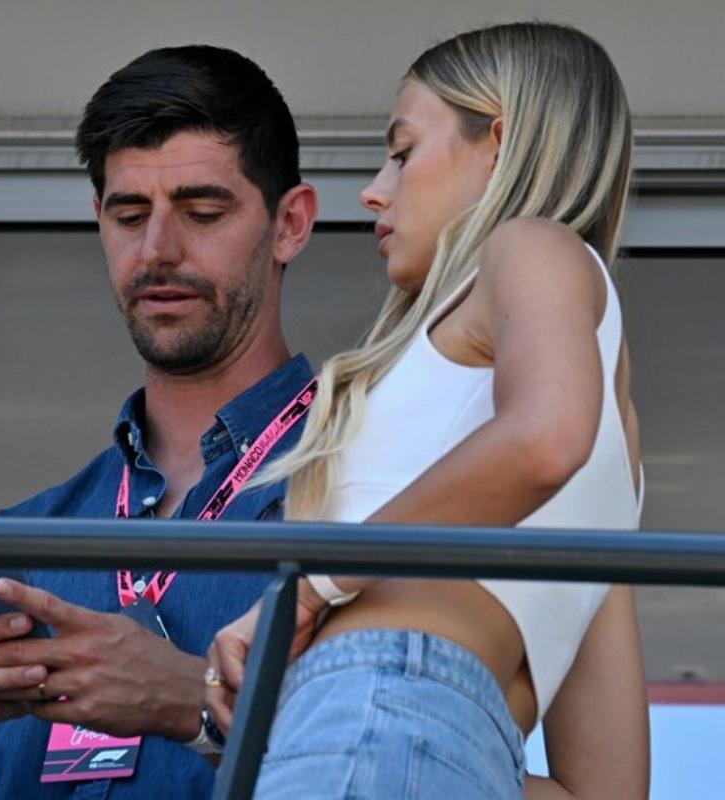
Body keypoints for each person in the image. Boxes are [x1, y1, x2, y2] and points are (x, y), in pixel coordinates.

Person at [0, 44, 318, 799]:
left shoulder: (379, 489)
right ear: (97, 221)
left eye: (203, 212)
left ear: (290, 224)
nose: (158, 249)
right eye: (129, 215)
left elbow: (424, 769)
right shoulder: (18, 545)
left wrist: (191, 698)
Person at [207, 22, 650, 799]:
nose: (375, 190)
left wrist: (308, 591)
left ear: (498, 143)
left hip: (376, 707)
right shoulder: (622, 466)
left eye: (403, 151)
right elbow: (605, 790)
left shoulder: (531, 245)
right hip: (446, 745)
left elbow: (544, 438)